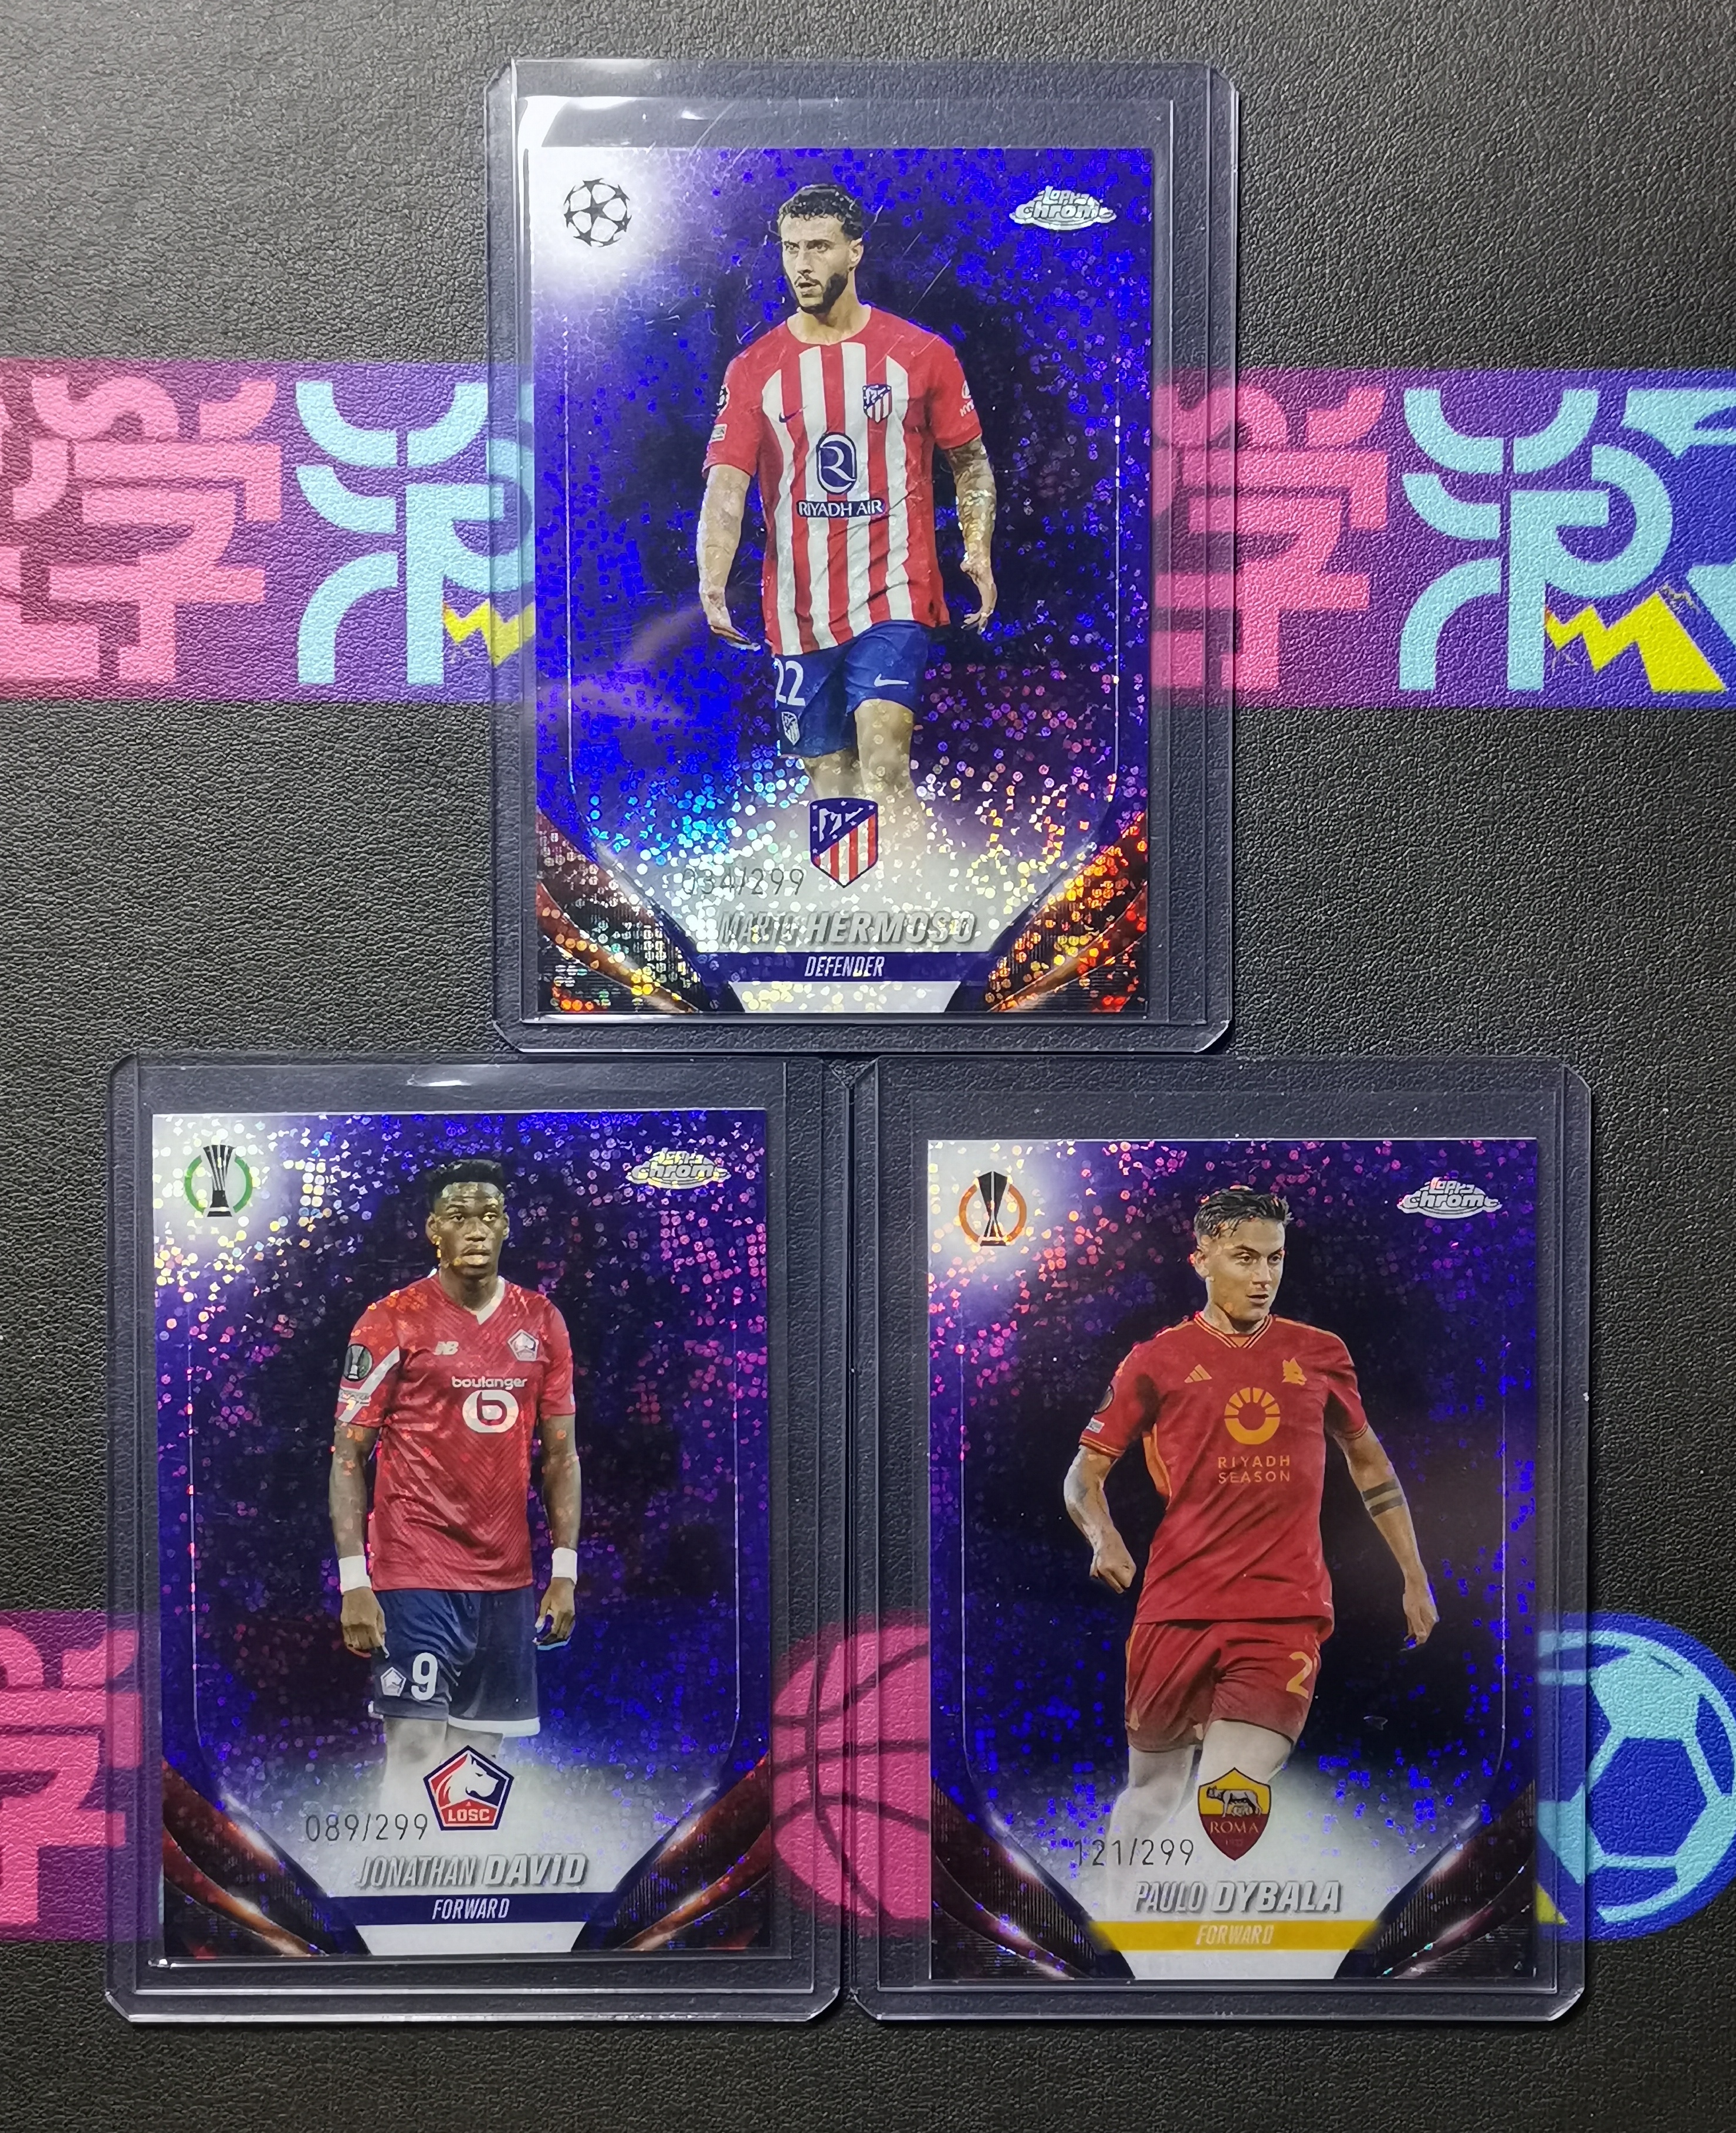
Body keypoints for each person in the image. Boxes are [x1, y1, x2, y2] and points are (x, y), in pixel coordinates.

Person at [1062, 1186, 1437, 1888]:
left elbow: (1370, 1466)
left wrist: (1413, 1576)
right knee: (1151, 1796)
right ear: (1201, 1259)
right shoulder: (1156, 1360)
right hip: (1175, 1608)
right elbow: (1083, 1474)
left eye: (1274, 1259)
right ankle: (1111, 1923)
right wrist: (1103, 1536)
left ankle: (1216, 1932)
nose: (1263, 1276)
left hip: (1281, 1611)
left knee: (1229, 1792)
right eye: (1244, 1258)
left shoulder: (1319, 1354)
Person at [697, 180, 997, 847]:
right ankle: (852, 896)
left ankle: (917, 892)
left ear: (854, 251)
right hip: (797, 608)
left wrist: (976, 547)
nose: (802, 265)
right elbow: (725, 485)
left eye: (819, 247)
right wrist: (711, 579)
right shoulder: (754, 369)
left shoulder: (920, 355)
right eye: (791, 249)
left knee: (884, 762)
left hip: (895, 592)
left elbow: (970, 461)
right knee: (830, 781)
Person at [327, 1159, 580, 1812]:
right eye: (460, 1217)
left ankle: (458, 1874)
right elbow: (349, 1453)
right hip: (416, 1566)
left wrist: (565, 1571)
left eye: (489, 1216)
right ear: (433, 1230)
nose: (476, 1229)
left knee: (477, 1763)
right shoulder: (391, 1319)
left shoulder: (541, 1320)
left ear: (506, 1227)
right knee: (414, 1747)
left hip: (506, 1578)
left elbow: (561, 1456)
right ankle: (392, 1871)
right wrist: (355, 1581)